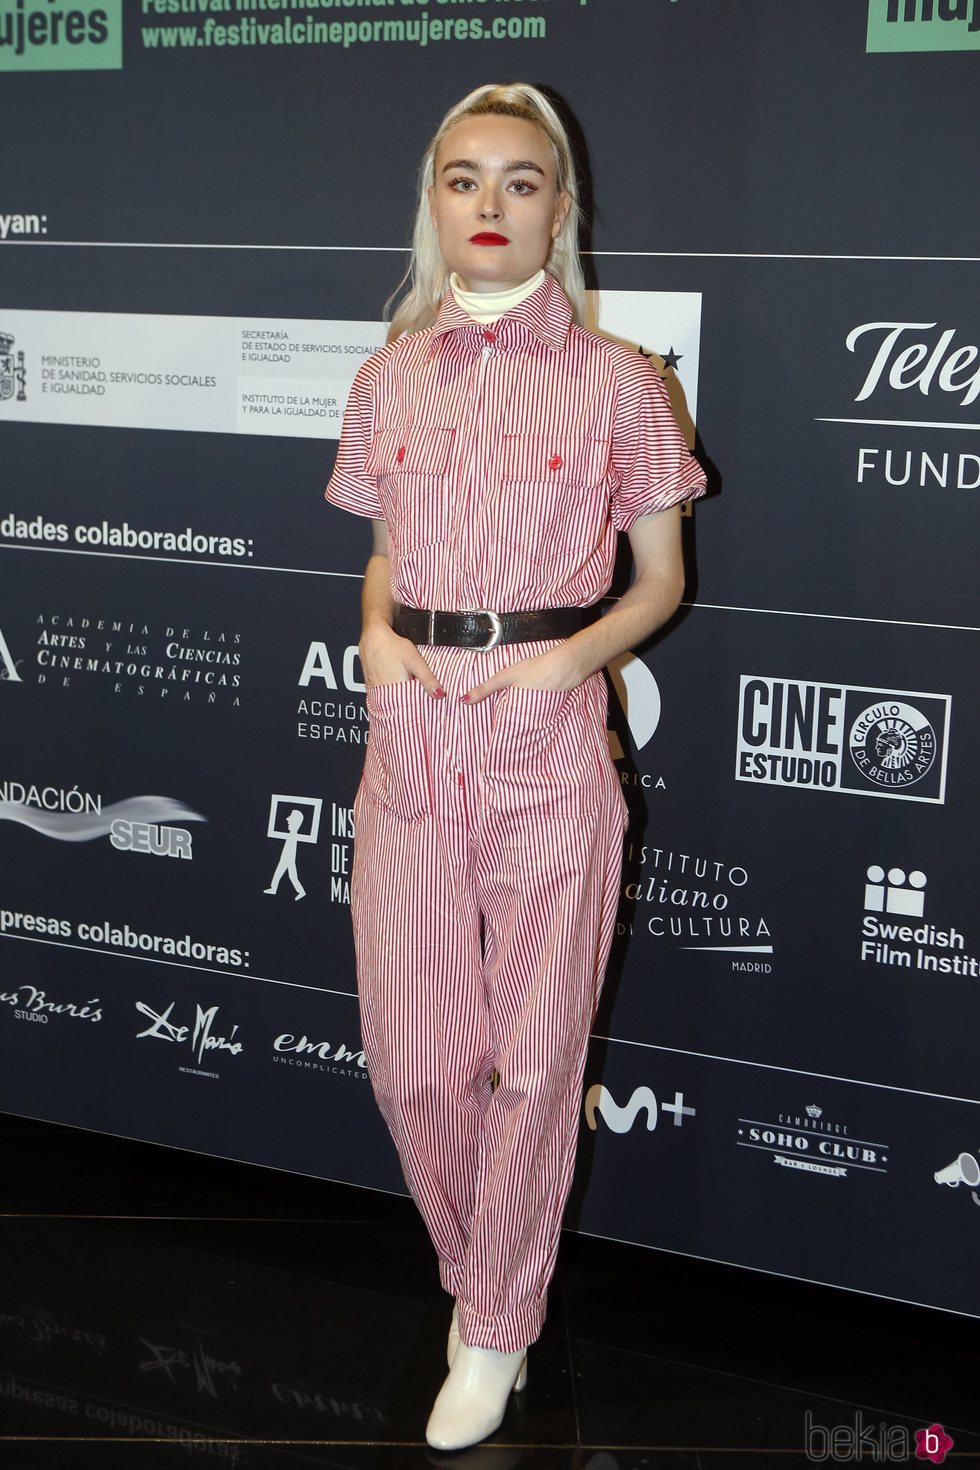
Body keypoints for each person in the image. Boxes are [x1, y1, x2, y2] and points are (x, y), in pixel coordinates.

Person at [324, 82, 707, 1451]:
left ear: (563, 205)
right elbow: (378, 552)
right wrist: (372, 634)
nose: (490, 206)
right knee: (416, 1061)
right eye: (465, 179)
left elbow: (661, 577)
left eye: (521, 181)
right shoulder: (388, 373)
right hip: (413, 727)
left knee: (538, 1062)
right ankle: (479, 1278)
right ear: (434, 201)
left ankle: (493, 1329)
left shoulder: (619, 380)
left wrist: (569, 660)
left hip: (548, 735)